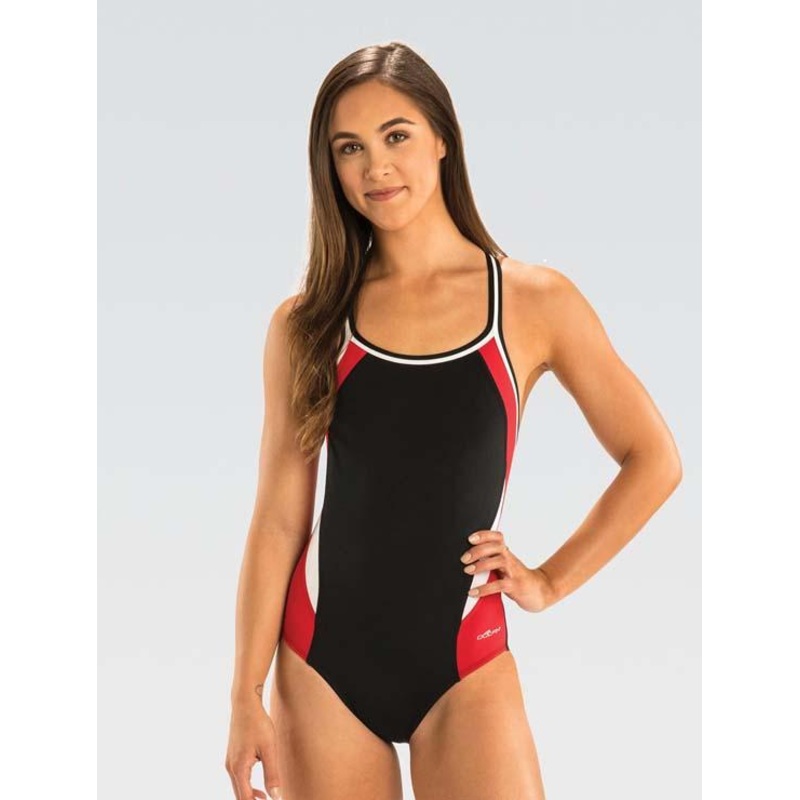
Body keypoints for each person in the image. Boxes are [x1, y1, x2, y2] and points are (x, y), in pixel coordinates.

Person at [224, 42, 682, 800]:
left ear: (442, 137)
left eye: (396, 135)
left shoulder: (533, 303)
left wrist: (548, 581)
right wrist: (245, 695)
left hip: (465, 665)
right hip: (321, 664)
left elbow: (653, 458)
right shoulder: (309, 323)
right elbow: (278, 521)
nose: (376, 167)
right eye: (350, 148)